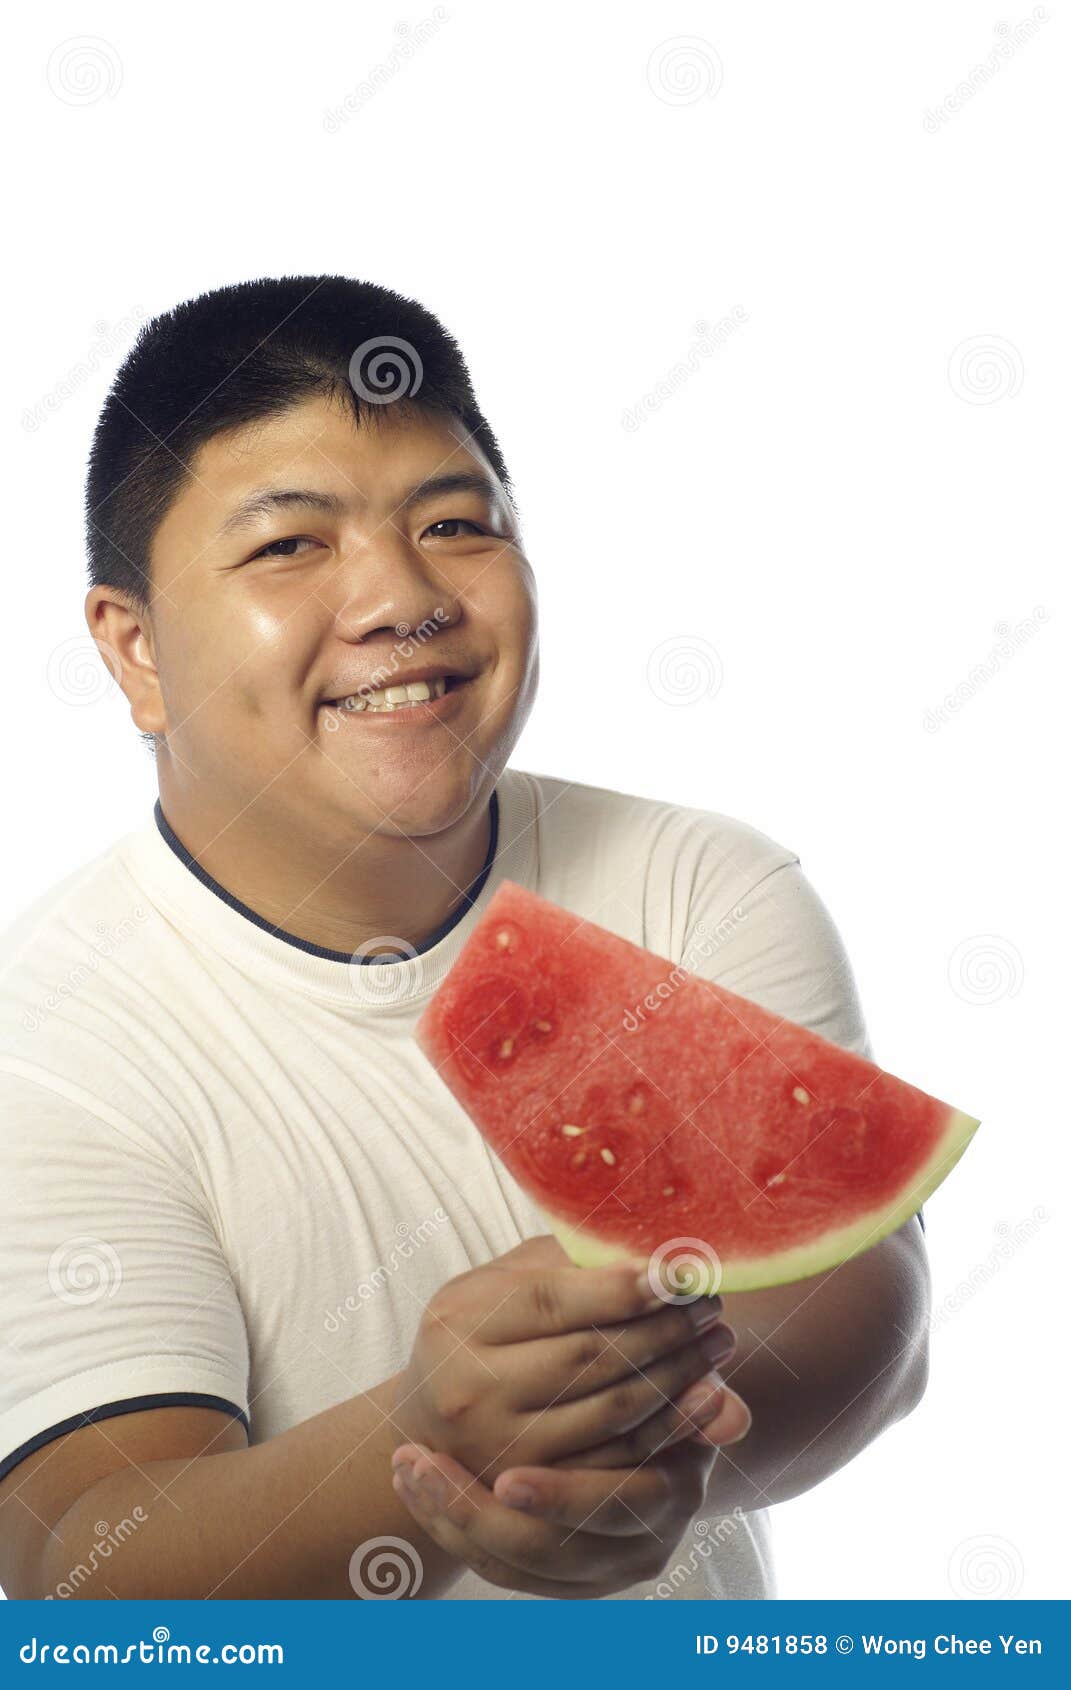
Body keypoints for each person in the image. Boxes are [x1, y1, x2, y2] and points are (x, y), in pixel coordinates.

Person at [0, 276, 929, 1600]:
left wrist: (635, 1468)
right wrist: (423, 1449)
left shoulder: (691, 886)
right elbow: (85, 1561)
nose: (402, 596)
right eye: (289, 546)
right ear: (134, 647)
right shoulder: (44, 1053)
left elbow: (863, 1303)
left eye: (453, 522)